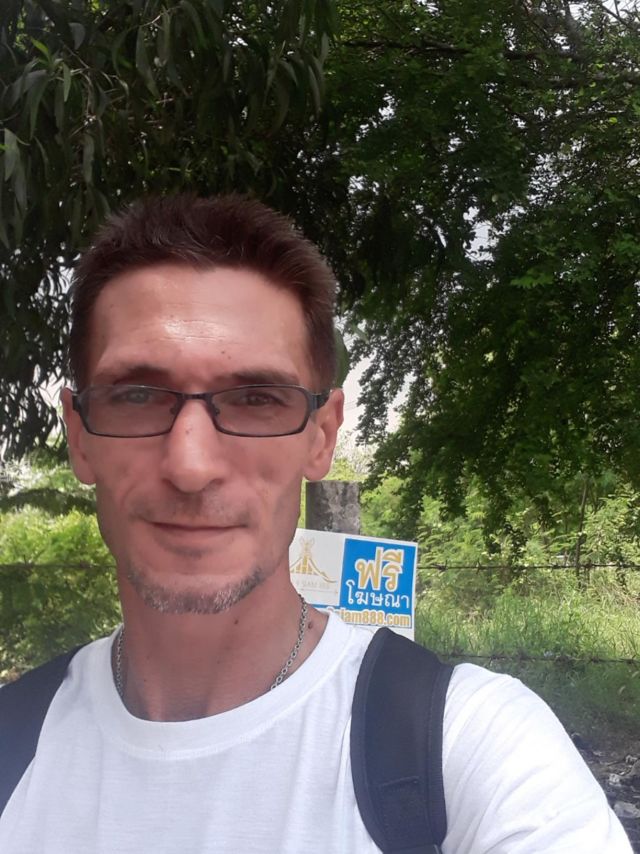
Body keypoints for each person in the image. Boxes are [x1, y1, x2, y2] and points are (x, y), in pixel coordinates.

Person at [0, 194, 631, 853]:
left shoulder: (470, 753)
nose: (191, 465)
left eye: (256, 398)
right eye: (136, 395)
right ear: (79, 436)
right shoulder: (11, 746)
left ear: (321, 436)